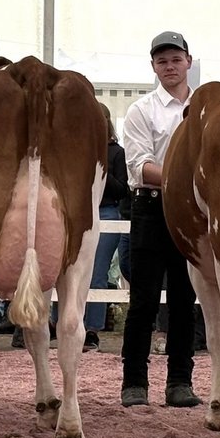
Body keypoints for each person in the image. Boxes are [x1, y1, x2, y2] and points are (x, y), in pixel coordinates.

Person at [120, 31, 199, 409]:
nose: (169, 67)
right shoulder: (141, 110)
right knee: (144, 300)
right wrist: (189, 180)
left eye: (175, 59)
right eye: (162, 61)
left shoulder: (205, 107)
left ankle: (180, 381)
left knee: (186, 299)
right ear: (153, 66)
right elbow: (139, 166)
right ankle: (134, 381)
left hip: (192, 211)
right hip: (152, 207)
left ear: (188, 62)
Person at [78, 104, 128, 350]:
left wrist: (100, 169)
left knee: (97, 272)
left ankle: (92, 329)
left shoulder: (117, 153)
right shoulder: (75, 150)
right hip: (78, 212)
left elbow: (122, 189)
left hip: (107, 210)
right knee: (65, 270)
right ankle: (62, 322)